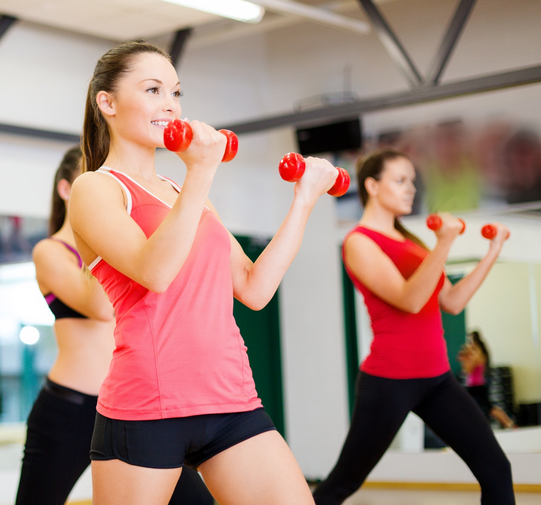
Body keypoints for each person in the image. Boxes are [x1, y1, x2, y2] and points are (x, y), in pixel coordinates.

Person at [69, 41, 338, 505]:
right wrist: (200, 172)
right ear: (106, 103)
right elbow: (154, 271)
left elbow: (255, 288)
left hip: (231, 400)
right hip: (147, 408)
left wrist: (304, 200)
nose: (169, 105)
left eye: (175, 92)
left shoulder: (187, 191)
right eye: (152, 90)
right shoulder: (96, 189)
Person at [312, 148, 514, 504]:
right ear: (372, 186)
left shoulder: (413, 243)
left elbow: (451, 302)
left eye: (413, 182)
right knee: (342, 485)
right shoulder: (359, 242)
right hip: (390, 381)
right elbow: (409, 299)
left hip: (437, 379)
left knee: (496, 469)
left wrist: (493, 251)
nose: (411, 190)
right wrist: (446, 242)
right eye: (401, 181)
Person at [15, 146, 213, 505]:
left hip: (131, 405)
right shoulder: (49, 251)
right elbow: (100, 307)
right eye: (92, 179)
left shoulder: (131, 245)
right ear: (66, 190)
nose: (106, 187)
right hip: (69, 409)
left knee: (195, 500)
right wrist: (102, 234)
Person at [459, 331, 516, 429]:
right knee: (489, 408)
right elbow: (466, 370)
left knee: (488, 408)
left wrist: (467, 357)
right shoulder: (476, 352)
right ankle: (508, 423)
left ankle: (508, 423)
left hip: (478, 386)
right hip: (473, 386)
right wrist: (465, 358)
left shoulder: (479, 353)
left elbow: (471, 365)